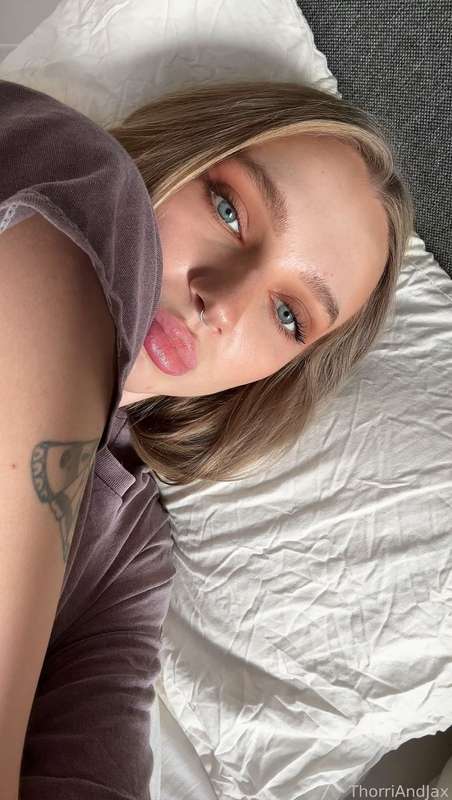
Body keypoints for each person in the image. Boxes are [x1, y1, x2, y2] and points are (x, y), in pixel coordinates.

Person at [0, 78, 414, 798]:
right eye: (229, 210)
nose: (222, 302)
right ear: (181, 152)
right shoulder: (69, 169)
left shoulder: (133, 556)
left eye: (288, 316)